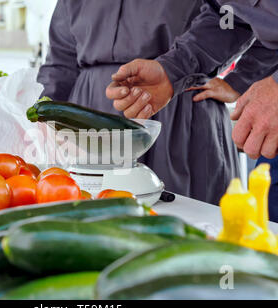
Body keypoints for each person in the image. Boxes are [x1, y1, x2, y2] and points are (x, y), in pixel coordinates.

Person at [38, 0, 276, 205]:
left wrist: (241, 80)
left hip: (182, 112)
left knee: (187, 229)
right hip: (98, 111)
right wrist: (43, 113)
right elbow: (61, 58)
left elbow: (241, 17)